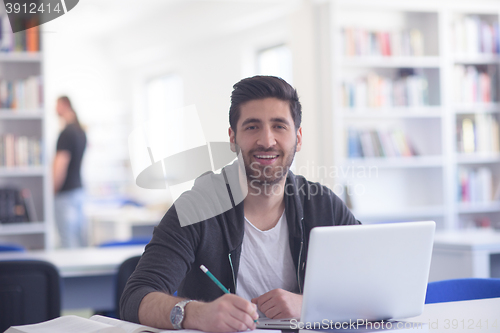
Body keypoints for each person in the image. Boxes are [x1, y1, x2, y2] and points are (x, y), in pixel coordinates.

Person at [120, 76, 360, 332]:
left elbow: (376, 285)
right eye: (252, 127)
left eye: (279, 126)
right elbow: (135, 298)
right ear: (232, 138)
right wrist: (195, 313)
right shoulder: (197, 207)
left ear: (298, 138)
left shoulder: (324, 206)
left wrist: (310, 305)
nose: (267, 140)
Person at [53, 96, 87, 248]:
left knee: (67, 242)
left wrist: (53, 190)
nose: (54, 109)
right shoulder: (81, 132)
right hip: (79, 191)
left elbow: (61, 166)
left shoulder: (66, 133)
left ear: (65, 105)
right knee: (79, 240)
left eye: (56, 105)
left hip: (65, 195)